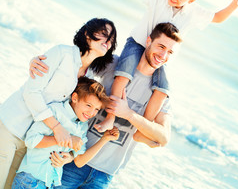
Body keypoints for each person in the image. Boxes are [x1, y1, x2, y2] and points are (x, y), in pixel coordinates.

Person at [95, 0, 238, 143]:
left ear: (191, 0)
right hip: (139, 43)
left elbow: (217, 17)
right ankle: (110, 118)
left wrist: (234, 4)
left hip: (160, 58)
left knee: (162, 89)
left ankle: (142, 129)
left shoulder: (193, 12)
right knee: (123, 73)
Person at [30, 22, 182, 188]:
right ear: (148, 41)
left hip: (104, 174)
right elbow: (74, 65)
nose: (163, 55)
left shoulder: (160, 93)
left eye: (170, 52)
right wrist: (39, 61)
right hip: (71, 157)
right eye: (161, 46)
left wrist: (128, 114)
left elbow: (164, 136)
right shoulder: (114, 65)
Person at [0, 18, 117, 189]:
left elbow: (69, 114)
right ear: (87, 34)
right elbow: (31, 92)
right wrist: (56, 127)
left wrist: (69, 155)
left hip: (30, 143)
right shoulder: (62, 53)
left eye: (111, 39)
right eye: (104, 34)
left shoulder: (87, 78)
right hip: (9, 127)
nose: (107, 41)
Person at [12, 77, 120, 189]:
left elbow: (79, 161)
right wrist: (67, 139)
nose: (92, 112)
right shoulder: (56, 111)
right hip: (30, 180)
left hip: (51, 183)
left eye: (97, 109)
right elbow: (31, 141)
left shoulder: (82, 126)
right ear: (75, 98)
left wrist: (104, 139)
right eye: (88, 105)